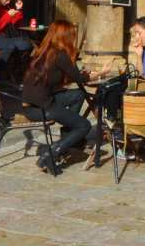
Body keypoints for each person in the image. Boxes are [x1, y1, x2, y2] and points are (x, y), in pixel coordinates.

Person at [21, 20, 100, 175]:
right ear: (65, 37)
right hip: (43, 108)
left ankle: (68, 134)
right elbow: (79, 78)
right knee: (85, 126)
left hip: (32, 104)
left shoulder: (43, 51)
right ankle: (51, 153)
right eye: (72, 36)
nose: (74, 39)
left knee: (78, 95)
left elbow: (66, 77)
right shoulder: (60, 55)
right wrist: (97, 75)